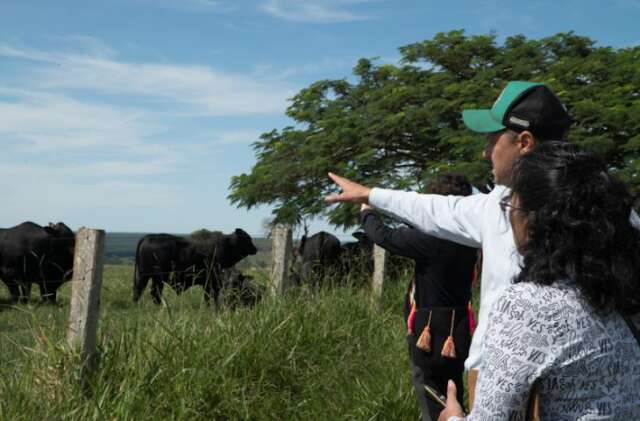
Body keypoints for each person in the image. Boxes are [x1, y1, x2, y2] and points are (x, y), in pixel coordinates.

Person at [325, 80, 574, 405]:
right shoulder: (503, 203)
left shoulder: (504, 209)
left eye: (491, 139)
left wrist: (368, 206)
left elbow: (412, 222)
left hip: (510, 378)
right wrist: (372, 194)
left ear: (524, 141)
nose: (485, 151)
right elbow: (436, 208)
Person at [437, 142, 640, 420]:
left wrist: (453, 417)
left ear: (536, 220)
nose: (509, 214)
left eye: (510, 203)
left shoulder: (528, 306)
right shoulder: (625, 296)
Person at [360, 174, 478, 421]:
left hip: (431, 331)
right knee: (453, 389)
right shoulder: (470, 239)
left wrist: (366, 212)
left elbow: (384, 236)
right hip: (460, 328)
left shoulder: (432, 240)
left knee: (431, 395)